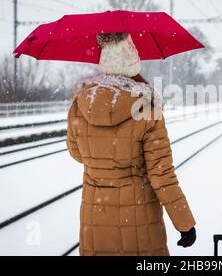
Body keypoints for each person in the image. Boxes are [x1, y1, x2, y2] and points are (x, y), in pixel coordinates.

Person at [66, 32, 196, 256]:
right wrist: (184, 223)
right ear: (133, 65)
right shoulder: (147, 108)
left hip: (95, 215)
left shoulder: (80, 104)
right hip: (138, 220)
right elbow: (161, 175)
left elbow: (77, 153)